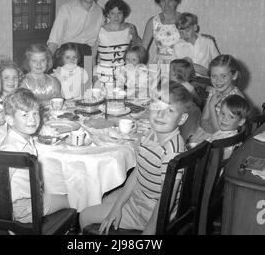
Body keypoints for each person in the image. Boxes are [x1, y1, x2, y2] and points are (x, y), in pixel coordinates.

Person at [79, 81, 192, 235]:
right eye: (157, 107)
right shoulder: (150, 134)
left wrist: (149, 232)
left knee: (85, 215)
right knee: (105, 200)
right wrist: (117, 206)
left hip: (149, 212)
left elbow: (167, 199)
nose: (160, 114)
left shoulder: (171, 151)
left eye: (170, 110)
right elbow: (139, 171)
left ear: (182, 119)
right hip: (142, 196)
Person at [0, 88, 70, 223]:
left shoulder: (24, 138)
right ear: (10, 120)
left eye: (35, 113)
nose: (32, 119)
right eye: (25, 115)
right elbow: (0, 185)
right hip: (23, 207)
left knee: (62, 187)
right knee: (72, 199)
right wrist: (7, 220)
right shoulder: (11, 149)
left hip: (30, 199)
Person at [47, 0, 104, 68]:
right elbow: (54, 39)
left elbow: (96, 43)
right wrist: (47, 61)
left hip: (87, 54)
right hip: (67, 54)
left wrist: (92, 68)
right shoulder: (67, 8)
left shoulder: (99, 12)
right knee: (66, 82)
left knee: (88, 82)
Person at [201, 54, 244, 134]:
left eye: (223, 76)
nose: (218, 81)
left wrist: (211, 106)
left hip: (224, 141)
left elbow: (220, 133)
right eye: (214, 76)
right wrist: (207, 132)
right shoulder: (214, 91)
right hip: (209, 133)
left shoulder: (236, 99)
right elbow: (204, 119)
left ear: (234, 75)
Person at [142, 0, 182, 65]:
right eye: (163, 1)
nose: (167, 4)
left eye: (170, 1)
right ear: (159, 2)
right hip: (159, 65)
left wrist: (205, 39)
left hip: (180, 64)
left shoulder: (183, 19)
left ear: (176, 2)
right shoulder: (153, 22)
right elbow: (143, 48)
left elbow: (193, 41)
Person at [206, 94, 250, 159]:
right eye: (223, 113)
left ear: (241, 122)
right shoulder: (227, 132)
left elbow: (219, 160)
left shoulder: (227, 141)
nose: (224, 119)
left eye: (231, 117)